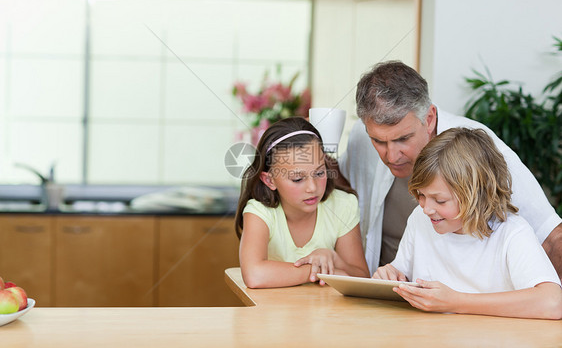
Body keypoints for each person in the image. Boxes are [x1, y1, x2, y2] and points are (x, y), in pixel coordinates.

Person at [337, 60, 562, 277]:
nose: (391, 156)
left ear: (430, 118)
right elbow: (337, 191)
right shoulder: (361, 137)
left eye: (403, 139)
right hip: (392, 292)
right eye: (378, 141)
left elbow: (551, 237)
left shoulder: (478, 152)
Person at [372, 127, 562, 319]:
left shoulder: (511, 232)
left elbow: (553, 303)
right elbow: (401, 276)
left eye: (440, 201)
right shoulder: (420, 219)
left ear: (476, 195)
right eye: (421, 195)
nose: (426, 208)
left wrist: (457, 301)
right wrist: (390, 275)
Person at [235, 117, 370, 288]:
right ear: (270, 181)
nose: (312, 188)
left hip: (328, 314)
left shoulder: (343, 205)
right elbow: (255, 275)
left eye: (320, 173)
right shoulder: (260, 212)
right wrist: (317, 271)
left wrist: (335, 259)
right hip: (272, 313)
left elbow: (362, 277)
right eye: (298, 179)